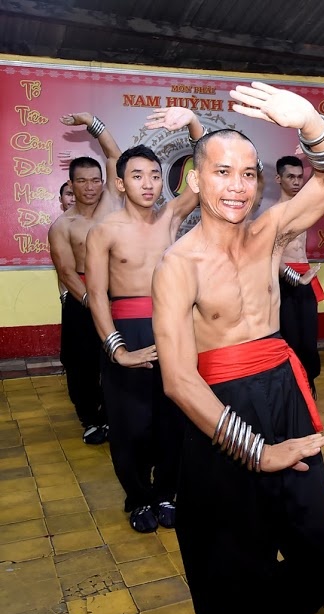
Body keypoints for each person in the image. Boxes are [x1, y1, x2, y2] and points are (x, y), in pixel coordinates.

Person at [152, 83, 324, 614]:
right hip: (217, 409)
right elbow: (176, 380)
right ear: (195, 179)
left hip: (283, 393)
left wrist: (310, 121)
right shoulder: (178, 265)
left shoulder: (270, 231)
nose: (236, 187)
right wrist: (258, 453)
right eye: (221, 172)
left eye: (247, 174)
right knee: (233, 545)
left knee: (312, 538)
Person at [86, 108, 204, 532]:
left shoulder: (172, 215)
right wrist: (117, 349)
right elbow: (97, 294)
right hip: (126, 331)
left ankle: (169, 492)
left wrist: (192, 123)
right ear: (120, 183)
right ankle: (139, 497)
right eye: (137, 176)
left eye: (154, 175)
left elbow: (204, 166)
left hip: (173, 326)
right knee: (131, 424)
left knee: (175, 417)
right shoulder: (104, 231)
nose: (149, 184)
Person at [48, 113, 122, 445]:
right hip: (82, 299)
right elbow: (66, 271)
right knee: (81, 362)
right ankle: (90, 419)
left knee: (118, 357)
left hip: (116, 291)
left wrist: (93, 122)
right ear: (71, 185)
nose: (90, 187)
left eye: (95, 180)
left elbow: (114, 157)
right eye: (82, 181)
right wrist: (94, 304)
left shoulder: (111, 206)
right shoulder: (62, 226)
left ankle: (114, 415)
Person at [275, 155, 324, 393]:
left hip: (305, 280)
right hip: (284, 281)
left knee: (309, 338)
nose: (296, 182)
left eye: (299, 177)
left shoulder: (304, 210)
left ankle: (309, 381)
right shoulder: (274, 215)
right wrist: (294, 278)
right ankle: (292, 386)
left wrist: (312, 155)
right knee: (289, 336)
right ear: (278, 179)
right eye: (290, 177)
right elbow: (269, 256)